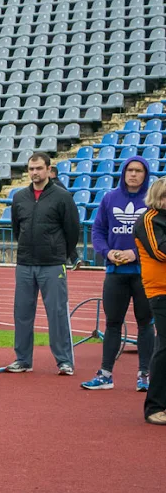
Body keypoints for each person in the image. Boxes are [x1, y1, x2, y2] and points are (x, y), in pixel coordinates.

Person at [81, 156, 154, 391]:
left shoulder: (153, 200)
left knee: (145, 323)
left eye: (138, 171)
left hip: (144, 273)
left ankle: (145, 375)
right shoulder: (110, 198)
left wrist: (136, 253)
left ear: (145, 174)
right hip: (115, 272)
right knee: (113, 323)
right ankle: (105, 375)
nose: (133, 174)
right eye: (129, 170)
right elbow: (99, 229)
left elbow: (158, 236)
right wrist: (107, 252)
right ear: (123, 173)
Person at [8, 151, 81, 375]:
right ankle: (23, 359)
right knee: (22, 312)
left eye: (39, 168)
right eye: (31, 169)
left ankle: (64, 361)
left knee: (57, 313)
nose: (34, 173)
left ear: (49, 170)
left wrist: (60, 253)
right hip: (25, 264)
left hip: (52, 264)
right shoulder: (19, 197)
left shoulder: (62, 197)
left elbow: (72, 230)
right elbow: (16, 229)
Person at [133, 178, 166, 425]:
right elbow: (160, 251)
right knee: (165, 347)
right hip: (160, 291)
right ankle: (154, 406)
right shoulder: (148, 219)